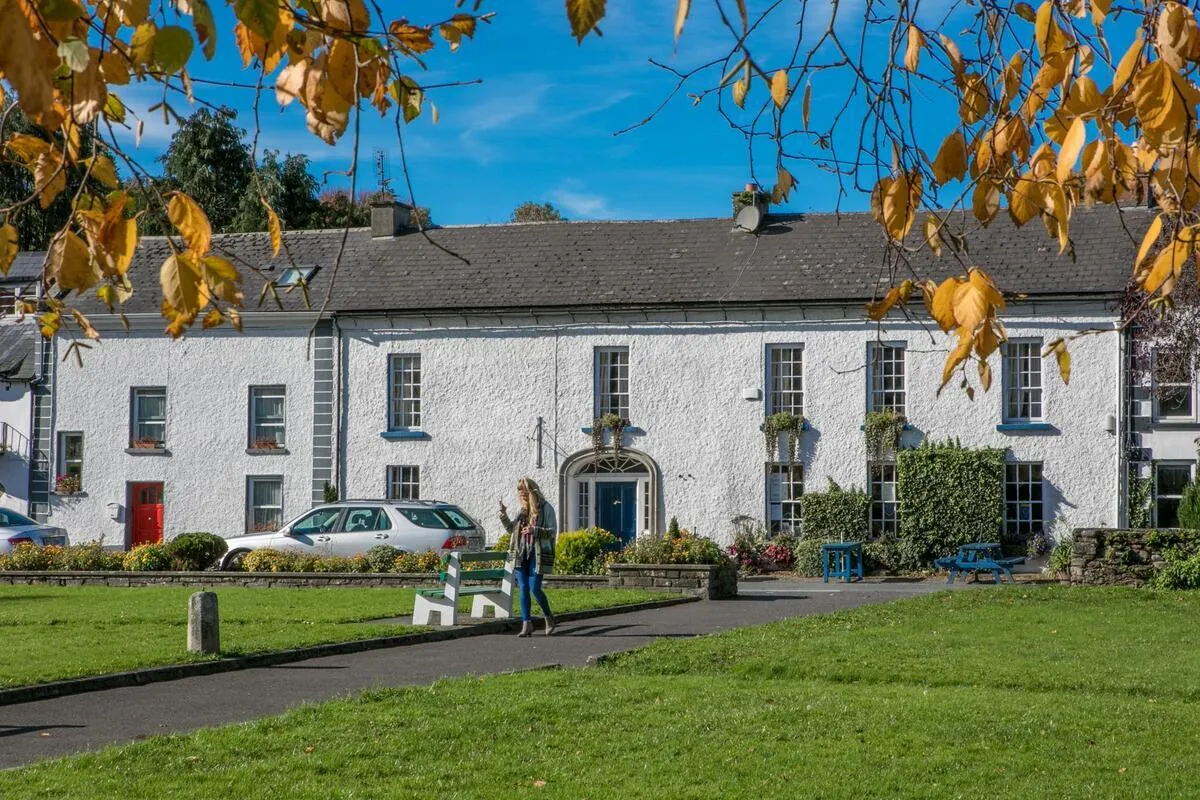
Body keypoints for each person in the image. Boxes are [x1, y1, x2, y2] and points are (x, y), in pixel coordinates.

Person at [499, 477, 557, 636]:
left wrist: (535, 530)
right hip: (520, 554)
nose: (521, 494)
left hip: (537, 555)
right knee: (523, 588)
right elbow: (511, 529)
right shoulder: (522, 511)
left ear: (533, 491)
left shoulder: (546, 509)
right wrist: (503, 514)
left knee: (535, 588)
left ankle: (549, 617)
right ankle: (527, 624)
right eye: (519, 491)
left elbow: (552, 532)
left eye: (524, 491)